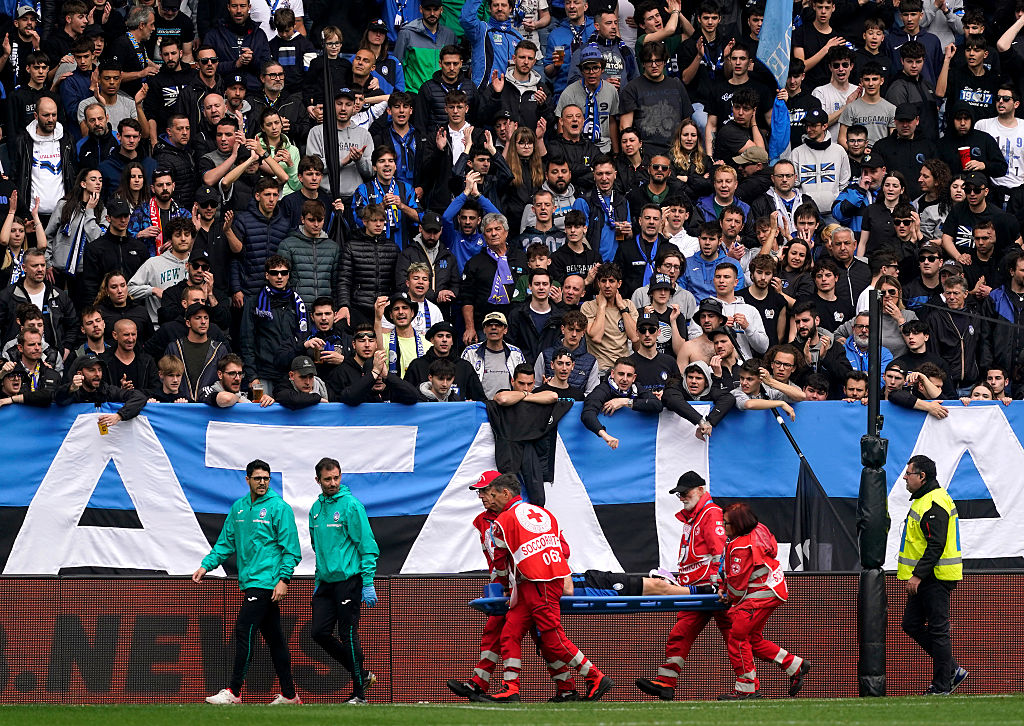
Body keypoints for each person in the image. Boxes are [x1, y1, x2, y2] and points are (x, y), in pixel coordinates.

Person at [482, 473, 613, 702]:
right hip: (545, 580)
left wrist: (504, 586)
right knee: (510, 633)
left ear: (505, 493)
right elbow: (563, 548)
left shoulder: (502, 521)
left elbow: (500, 561)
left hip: (536, 582)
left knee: (553, 638)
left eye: (493, 495)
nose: (490, 500)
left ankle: (595, 676)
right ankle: (510, 689)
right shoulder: (544, 513)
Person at [193, 458, 301, 706]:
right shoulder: (239, 508)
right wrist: (205, 565)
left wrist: (284, 579)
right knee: (275, 641)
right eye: (258, 478)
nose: (262, 482)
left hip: (266, 583)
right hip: (250, 581)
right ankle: (289, 694)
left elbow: (291, 550)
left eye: (266, 478)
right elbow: (225, 543)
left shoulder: (279, 508)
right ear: (248, 480)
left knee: (244, 631)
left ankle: (234, 692)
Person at [635, 471, 728, 700]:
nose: (681, 498)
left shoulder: (711, 513)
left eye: (684, 493)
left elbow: (720, 551)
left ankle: (780, 670)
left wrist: (720, 583)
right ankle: (666, 683)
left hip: (712, 591)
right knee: (680, 634)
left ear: (701, 490)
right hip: (698, 590)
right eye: (678, 494)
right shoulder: (695, 516)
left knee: (739, 638)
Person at [718, 502, 810, 700]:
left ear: (738, 525)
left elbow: (736, 587)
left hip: (760, 594)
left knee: (737, 638)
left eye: (726, 523)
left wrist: (727, 596)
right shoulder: (759, 529)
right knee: (752, 640)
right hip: (772, 590)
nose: (723, 526)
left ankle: (746, 688)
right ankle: (794, 665)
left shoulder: (740, 547)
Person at [308, 456, 380, 704]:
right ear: (317, 480)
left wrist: (368, 581)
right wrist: (319, 579)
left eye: (336, 477)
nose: (332, 483)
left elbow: (367, 546)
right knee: (318, 633)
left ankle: (359, 695)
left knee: (348, 634)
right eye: (327, 479)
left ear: (341, 476)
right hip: (327, 583)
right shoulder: (315, 510)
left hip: (350, 580)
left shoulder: (351, 505)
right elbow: (318, 549)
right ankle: (362, 674)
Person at [898, 454, 968, 695]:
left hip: (935, 577)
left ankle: (941, 687)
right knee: (911, 624)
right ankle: (952, 670)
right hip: (927, 576)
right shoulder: (925, 499)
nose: (905, 478)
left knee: (938, 630)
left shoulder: (933, 501)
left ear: (922, 476)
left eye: (909, 473)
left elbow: (936, 544)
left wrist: (917, 575)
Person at [581, 357, 663, 449]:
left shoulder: (637, 387)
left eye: (629, 375)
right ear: (612, 373)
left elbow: (657, 405)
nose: (624, 379)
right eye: (621, 374)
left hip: (632, 446)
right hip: (602, 445)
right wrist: (605, 436)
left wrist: (625, 402)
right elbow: (587, 414)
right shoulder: (603, 389)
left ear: (634, 377)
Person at [54, 351, 148, 420]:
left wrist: (119, 416)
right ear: (80, 373)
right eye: (92, 370)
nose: (97, 374)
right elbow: (58, 399)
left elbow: (139, 397)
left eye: (99, 370)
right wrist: (70, 389)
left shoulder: (106, 390)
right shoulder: (73, 391)